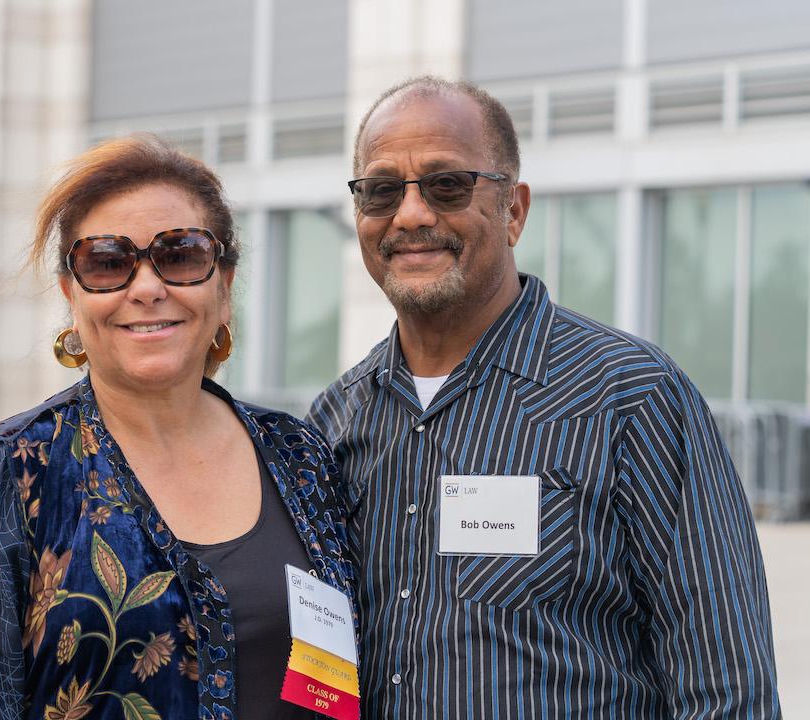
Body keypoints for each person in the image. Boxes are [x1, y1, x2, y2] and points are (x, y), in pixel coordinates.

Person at [308, 76, 781, 719]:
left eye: (448, 185)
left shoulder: (629, 398)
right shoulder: (334, 423)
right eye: (382, 190)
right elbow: (321, 674)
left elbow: (727, 689)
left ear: (515, 211)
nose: (411, 215)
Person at [0, 136, 355, 720]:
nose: (145, 287)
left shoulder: (298, 455)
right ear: (71, 295)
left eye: (181, 255)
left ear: (225, 287)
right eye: (107, 262)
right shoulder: (9, 473)